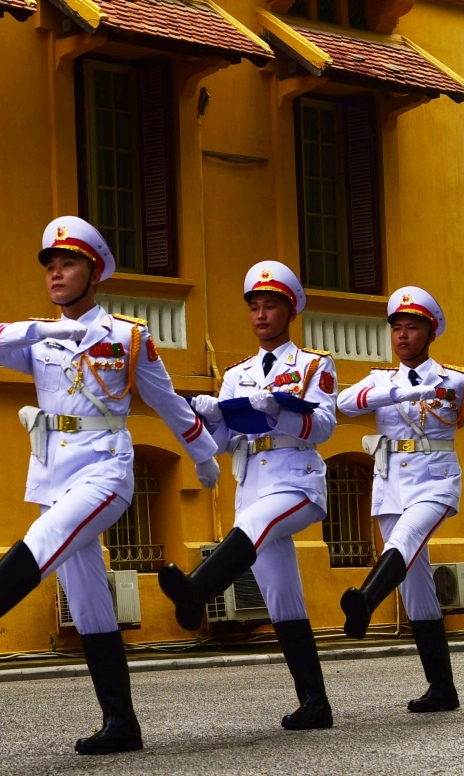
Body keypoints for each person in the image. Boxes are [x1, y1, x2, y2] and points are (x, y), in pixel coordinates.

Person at [0, 216, 221, 755]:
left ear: (94, 272)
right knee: (88, 603)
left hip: (105, 468)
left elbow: (169, 402)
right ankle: (121, 723)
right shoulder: (38, 338)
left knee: (50, 532)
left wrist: (204, 456)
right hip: (53, 471)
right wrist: (44, 330)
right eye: (51, 267)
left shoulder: (129, 337)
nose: (57, 275)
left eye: (68, 264)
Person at [158, 260, 337, 730]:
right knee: (282, 598)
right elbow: (220, 444)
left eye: (270, 305)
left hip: (296, 482)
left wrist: (276, 410)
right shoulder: (237, 374)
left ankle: (198, 589)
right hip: (252, 485)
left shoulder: (314, 365)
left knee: (251, 528)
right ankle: (315, 703)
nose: (260, 315)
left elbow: (323, 425)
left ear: (290, 309)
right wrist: (200, 419)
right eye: (254, 307)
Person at [335, 286, 464, 713]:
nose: (401, 335)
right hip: (390, 485)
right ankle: (442, 688)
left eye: (411, 327)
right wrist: (398, 394)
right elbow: (344, 402)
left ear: (429, 332)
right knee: (417, 589)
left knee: (406, 536)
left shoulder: (454, 382)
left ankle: (364, 599)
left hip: (435, 483)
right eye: (396, 327)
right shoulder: (382, 380)